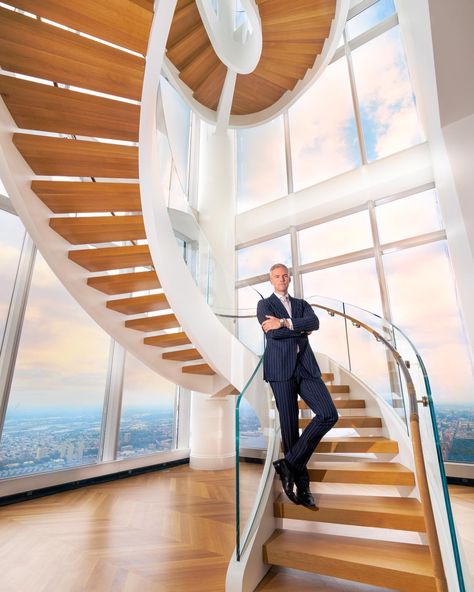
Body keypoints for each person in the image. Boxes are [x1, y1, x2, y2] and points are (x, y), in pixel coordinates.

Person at [257, 263, 338, 508]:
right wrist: (299, 329)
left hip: (306, 368)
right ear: (271, 280)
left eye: (284, 276)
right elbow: (273, 336)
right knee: (290, 427)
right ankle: (303, 488)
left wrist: (283, 323)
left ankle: (288, 464)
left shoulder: (302, 304)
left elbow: (314, 323)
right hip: (280, 372)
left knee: (328, 414)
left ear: (289, 278)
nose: (281, 279)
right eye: (276, 276)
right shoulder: (264, 305)